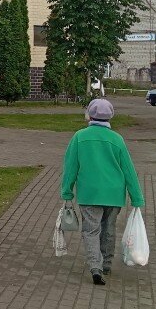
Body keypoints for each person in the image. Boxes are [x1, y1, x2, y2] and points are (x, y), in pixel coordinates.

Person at [60, 98, 144, 285]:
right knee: (109, 229)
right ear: (110, 116)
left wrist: (67, 192)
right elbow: (128, 170)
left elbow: (70, 167)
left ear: (89, 115)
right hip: (114, 194)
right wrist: (137, 198)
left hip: (89, 193)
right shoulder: (117, 139)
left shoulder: (79, 137)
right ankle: (106, 263)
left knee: (91, 230)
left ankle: (95, 266)